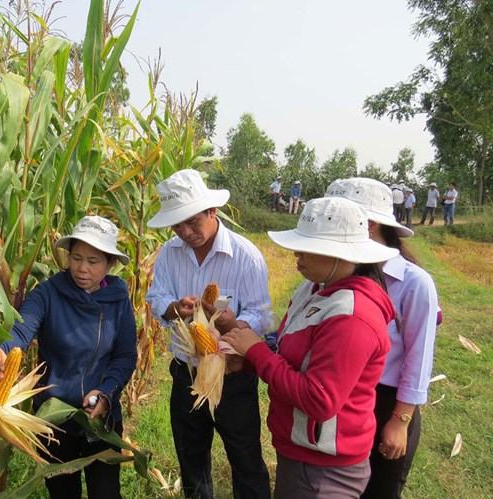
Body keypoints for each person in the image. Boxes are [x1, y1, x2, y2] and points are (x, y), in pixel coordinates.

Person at [222, 196, 398, 499]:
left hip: (324, 469)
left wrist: (256, 352)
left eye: (307, 248)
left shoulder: (353, 317)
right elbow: (292, 354)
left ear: (340, 255)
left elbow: (320, 400)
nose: (296, 255)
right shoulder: (315, 289)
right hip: (302, 453)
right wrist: (248, 359)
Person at [0, 215, 137, 499]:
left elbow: (125, 356)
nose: (82, 268)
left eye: (93, 262)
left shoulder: (118, 298)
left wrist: (106, 394)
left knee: (106, 493)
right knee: (62, 492)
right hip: (54, 417)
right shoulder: (47, 294)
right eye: (76, 257)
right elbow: (21, 329)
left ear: (110, 264)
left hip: (100, 418)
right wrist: (2, 349)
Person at [146, 168, 272, 499]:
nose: (186, 232)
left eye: (192, 222)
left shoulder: (246, 257)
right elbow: (156, 298)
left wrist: (232, 327)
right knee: (191, 459)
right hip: (186, 372)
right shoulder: (169, 255)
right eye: (177, 225)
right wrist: (176, 308)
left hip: (232, 375)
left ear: (212, 211)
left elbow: (260, 312)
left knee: (245, 458)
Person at [325, 177, 439, 499]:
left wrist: (400, 420)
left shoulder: (414, 284)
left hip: (387, 401)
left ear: (370, 225)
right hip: (344, 399)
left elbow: (418, 357)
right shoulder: (336, 276)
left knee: (380, 489)